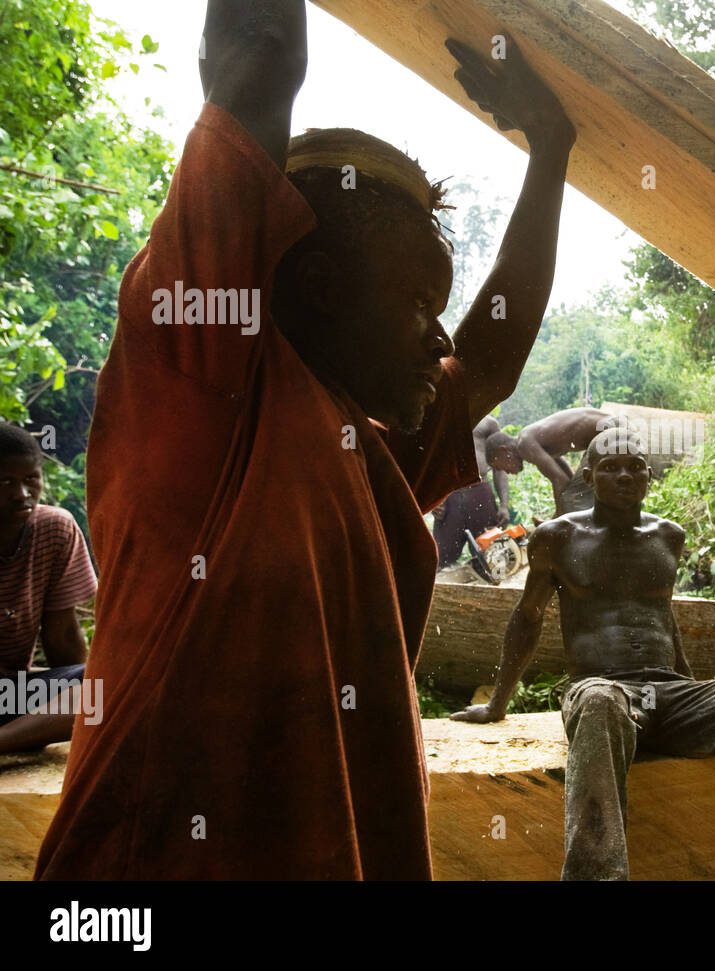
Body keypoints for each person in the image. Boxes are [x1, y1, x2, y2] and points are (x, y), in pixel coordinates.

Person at [36, 0, 575, 879]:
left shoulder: (367, 452)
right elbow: (261, 52)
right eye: (418, 304)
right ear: (320, 287)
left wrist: (550, 150)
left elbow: (485, 362)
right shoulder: (204, 374)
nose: (439, 339)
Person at [452, 427, 715, 880]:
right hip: (602, 692)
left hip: (669, 695)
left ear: (649, 476)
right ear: (588, 475)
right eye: (610, 467)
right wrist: (497, 704)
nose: (624, 475)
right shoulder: (556, 538)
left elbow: (661, 618)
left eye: (634, 467)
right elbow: (528, 618)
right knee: (599, 703)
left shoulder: (668, 536)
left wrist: (698, 695)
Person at [0, 425, 97, 755]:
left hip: (9, 698)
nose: (22, 494)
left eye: (31, 479)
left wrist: (85, 702)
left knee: (112, 679)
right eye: (5, 482)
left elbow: (63, 637)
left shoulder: (54, 529)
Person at [484, 407, 612, 512]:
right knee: (577, 494)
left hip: (611, 433)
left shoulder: (524, 444)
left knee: (576, 498)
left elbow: (560, 480)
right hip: (615, 427)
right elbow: (567, 480)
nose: (506, 472)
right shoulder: (533, 441)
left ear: (503, 451)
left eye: (499, 467)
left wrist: (556, 518)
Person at [432, 416, 512, 568]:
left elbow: (499, 467)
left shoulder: (489, 423)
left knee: (494, 558)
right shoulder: (441, 419)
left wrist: (504, 505)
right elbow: (430, 459)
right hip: (448, 495)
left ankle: (496, 589)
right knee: (440, 560)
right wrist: (434, 499)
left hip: (480, 492)